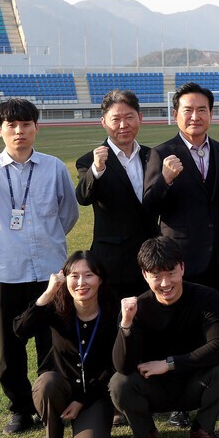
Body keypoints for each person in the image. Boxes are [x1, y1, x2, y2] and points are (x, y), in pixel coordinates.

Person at [0, 97, 80, 435]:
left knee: (52, 342)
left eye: (26, 124)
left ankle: (49, 404)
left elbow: (68, 213)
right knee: (11, 347)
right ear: (0, 130)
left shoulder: (53, 167)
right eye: (12, 125)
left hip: (50, 272)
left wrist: (50, 240)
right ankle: (21, 409)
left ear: (37, 128)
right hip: (6, 272)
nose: (19, 131)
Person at [109, 236, 219, 438]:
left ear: (182, 268)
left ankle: (203, 429)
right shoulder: (137, 307)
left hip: (194, 383)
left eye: (171, 273)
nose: (165, 283)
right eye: (156, 276)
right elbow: (122, 366)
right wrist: (126, 324)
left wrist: (169, 364)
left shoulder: (207, 297)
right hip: (153, 388)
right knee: (119, 383)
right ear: (145, 275)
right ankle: (144, 433)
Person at [143, 82, 219, 308]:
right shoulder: (160, 153)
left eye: (202, 110)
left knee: (217, 316)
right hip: (179, 259)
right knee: (183, 320)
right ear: (175, 114)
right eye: (188, 110)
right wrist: (165, 180)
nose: (195, 116)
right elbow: (150, 206)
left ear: (211, 114)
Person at [13, 251, 118, 438]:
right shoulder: (56, 308)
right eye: (74, 276)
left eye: (89, 275)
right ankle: (53, 436)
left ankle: (92, 427)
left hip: (95, 394)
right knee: (47, 383)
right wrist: (48, 293)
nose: (81, 283)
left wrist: (82, 400)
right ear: (64, 278)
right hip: (60, 388)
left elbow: (114, 366)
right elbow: (21, 329)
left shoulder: (114, 311)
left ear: (100, 279)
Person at [75, 89, 158, 300]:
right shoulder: (89, 161)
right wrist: (97, 169)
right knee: (115, 319)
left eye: (129, 117)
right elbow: (83, 197)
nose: (123, 125)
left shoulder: (153, 156)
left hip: (152, 261)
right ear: (103, 122)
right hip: (112, 263)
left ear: (140, 117)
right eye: (116, 119)